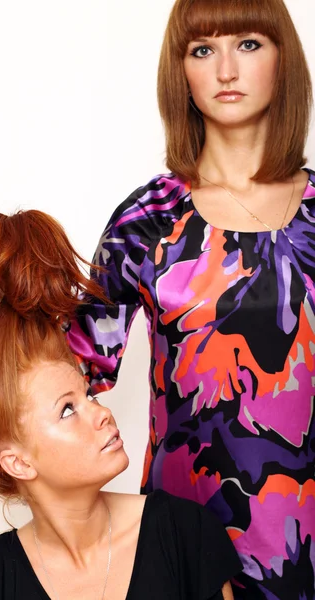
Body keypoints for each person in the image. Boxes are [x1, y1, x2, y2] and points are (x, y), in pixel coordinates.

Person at [66, 0, 315, 598]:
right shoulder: (147, 223)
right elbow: (69, 378)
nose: (227, 69)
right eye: (203, 50)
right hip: (182, 551)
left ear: (284, 59)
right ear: (181, 72)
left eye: (249, 44)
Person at [0, 210, 241, 600]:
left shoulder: (184, 535)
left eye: (88, 395)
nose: (101, 413)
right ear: (18, 462)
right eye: (67, 409)